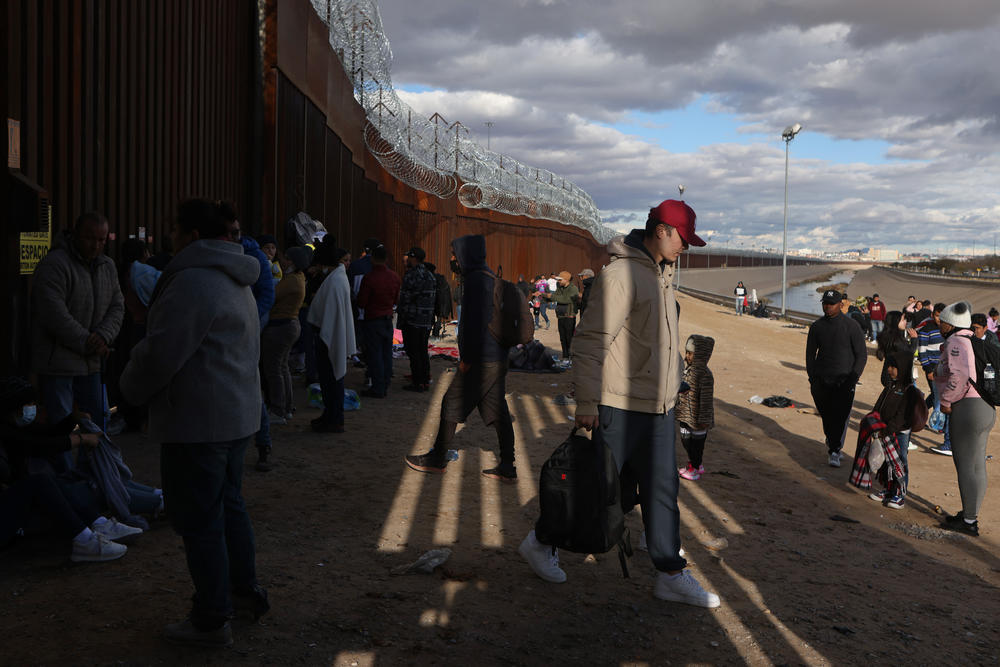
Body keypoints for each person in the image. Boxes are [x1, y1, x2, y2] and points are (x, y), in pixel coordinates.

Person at [519, 199, 721, 608]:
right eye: (684, 238)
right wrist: (588, 402)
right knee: (600, 490)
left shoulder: (662, 275)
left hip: (658, 408)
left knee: (661, 490)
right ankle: (542, 541)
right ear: (662, 230)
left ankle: (669, 572)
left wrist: (674, 384)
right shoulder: (622, 275)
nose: (687, 247)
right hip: (620, 406)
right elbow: (592, 341)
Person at [120, 199, 268, 647]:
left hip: (199, 421)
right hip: (237, 415)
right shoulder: (235, 276)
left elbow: (162, 353)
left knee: (201, 521)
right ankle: (243, 595)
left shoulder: (193, 282)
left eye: (172, 229)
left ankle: (210, 618)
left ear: (188, 234)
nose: (167, 237)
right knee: (229, 507)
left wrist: (128, 390)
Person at [404, 234, 519, 483]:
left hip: (481, 359)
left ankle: (437, 459)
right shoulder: (487, 276)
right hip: (496, 357)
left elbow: (473, 325)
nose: (452, 259)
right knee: (497, 410)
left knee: (452, 403)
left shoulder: (477, 281)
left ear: (467, 254)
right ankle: (508, 466)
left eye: (455, 254)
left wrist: (466, 358)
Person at [31, 212, 124, 433]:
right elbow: (53, 314)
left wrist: (103, 336)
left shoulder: (107, 266)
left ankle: (93, 467)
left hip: (92, 362)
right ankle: (62, 468)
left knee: (99, 421)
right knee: (59, 427)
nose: (96, 245)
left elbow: (117, 306)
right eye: (90, 238)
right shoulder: (54, 264)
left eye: (101, 240)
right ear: (75, 234)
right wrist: (88, 341)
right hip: (59, 364)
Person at [219, 203, 276, 470]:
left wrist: (251, 320)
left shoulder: (255, 258)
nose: (232, 236)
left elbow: (266, 295)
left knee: (250, 383)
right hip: (232, 328)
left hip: (248, 327)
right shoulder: (228, 257)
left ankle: (262, 443)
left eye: (235, 231)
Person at [935, 301, 996, 537]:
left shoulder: (955, 342)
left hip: (968, 408)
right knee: (977, 464)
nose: (940, 325)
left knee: (965, 466)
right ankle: (970, 513)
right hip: (985, 407)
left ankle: (969, 521)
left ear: (950, 325)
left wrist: (946, 401)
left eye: (943, 323)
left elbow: (958, 377)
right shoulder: (974, 341)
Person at [806, 290, 867, 468]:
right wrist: (812, 377)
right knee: (826, 416)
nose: (827, 306)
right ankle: (833, 441)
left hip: (845, 381)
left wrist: (853, 379)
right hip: (821, 381)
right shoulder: (817, 326)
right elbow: (810, 355)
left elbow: (861, 355)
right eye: (825, 303)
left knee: (840, 417)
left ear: (840, 304)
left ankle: (834, 450)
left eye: (831, 303)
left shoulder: (852, 326)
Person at [861, 351, 925, 509]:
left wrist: (888, 429)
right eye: (888, 366)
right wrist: (873, 420)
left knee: (899, 462)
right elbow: (879, 406)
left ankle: (899, 494)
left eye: (893, 367)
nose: (889, 370)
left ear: (902, 368)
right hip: (885, 431)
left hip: (899, 433)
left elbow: (902, 416)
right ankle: (888, 490)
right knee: (886, 463)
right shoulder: (890, 386)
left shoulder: (909, 390)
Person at [260, 246, 308, 447]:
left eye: (287, 259)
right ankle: (286, 407)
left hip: (281, 326)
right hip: (288, 325)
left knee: (274, 369)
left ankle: (279, 409)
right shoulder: (298, 278)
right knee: (282, 368)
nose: (284, 262)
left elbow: (271, 295)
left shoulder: (292, 281)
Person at [307, 242, 357, 433]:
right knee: (329, 380)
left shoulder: (336, 280)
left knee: (332, 379)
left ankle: (334, 418)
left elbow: (330, 315)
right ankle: (331, 415)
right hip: (327, 335)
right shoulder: (336, 278)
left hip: (327, 338)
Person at [356, 245, 401, 399]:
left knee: (375, 355)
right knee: (386, 353)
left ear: (373, 259)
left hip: (373, 319)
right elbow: (396, 299)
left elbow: (361, 302)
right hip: (388, 318)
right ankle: (385, 382)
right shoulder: (394, 277)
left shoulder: (369, 278)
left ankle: (378, 386)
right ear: (386, 259)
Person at [911, 302, 951, 455]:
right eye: (937, 316)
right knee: (940, 398)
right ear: (933, 315)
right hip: (933, 370)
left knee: (937, 396)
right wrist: (928, 370)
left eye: (942, 316)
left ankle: (918, 411)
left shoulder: (948, 331)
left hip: (946, 370)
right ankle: (940, 427)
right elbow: (922, 352)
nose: (939, 320)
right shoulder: (926, 330)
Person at [397, 247, 436, 392]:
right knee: (422, 351)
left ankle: (417, 382)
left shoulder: (412, 275)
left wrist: (401, 314)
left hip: (413, 320)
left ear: (413, 258)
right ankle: (424, 380)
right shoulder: (430, 275)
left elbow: (406, 298)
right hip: (426, 321)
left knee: (414, 352)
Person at [676, 335, 715, 481]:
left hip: (699, 420)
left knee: (696, 446)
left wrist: (704, 419)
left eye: (690, 353)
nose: (687, 356)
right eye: (686, 352)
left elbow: (706, 400)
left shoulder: (705, 375)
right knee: (686, 440)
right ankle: (694, 463)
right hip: (685, 416)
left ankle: (696, 467)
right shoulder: (688, 371)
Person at [545, 271, 580, 360]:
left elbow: (566, 299)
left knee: (569, 338)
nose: (559, 281)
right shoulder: (559, 288)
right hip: (560, 316)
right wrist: (545, 296)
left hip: (569, 316)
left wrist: (552, 297)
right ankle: (565, 357)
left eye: (560, 280)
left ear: (566, 279)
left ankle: (572, 358)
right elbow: (555, 296)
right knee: (562, 338)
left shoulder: (573, 288)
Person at [427, 262, 453, 339]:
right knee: (439, 315)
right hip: (441, 301)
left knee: (433, 316)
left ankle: (434, 330)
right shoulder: (440, 278)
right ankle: (436, 331)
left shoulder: (430, 278)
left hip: (436, 300)